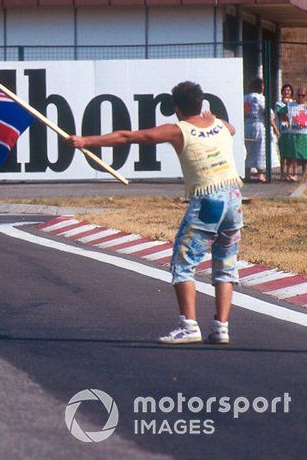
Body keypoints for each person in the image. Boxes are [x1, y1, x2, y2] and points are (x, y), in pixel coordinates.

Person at [67, 81, 243, 345]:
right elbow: (232, 128)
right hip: (234, 200)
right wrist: (215, 117)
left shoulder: (179, 130)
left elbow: (129, 137)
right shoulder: (220, 126)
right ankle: (221, 327)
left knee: (183, 263)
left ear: (176, 108)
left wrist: (86, 141)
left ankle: (189, 326)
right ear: (201, 103)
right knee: (225, 263)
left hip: (208, 199)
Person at [243, 77, 269, 182]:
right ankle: (260, 174)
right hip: (258, 124)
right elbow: (266, 111)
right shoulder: (260, 98)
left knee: (248, 148)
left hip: (247, 124)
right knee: (260, 149)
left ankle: (247, 173)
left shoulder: (244, 98)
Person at [275, 84, 297, 181]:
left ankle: (289, 173)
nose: (287, 92)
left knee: (290, 153)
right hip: (283, 130)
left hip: (292, 130)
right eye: (285, 90)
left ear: (291, 92)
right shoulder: (278, 103)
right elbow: (280, 112)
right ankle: (282, 173)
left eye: (288, 90)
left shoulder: (294, 103)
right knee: (282, 153)